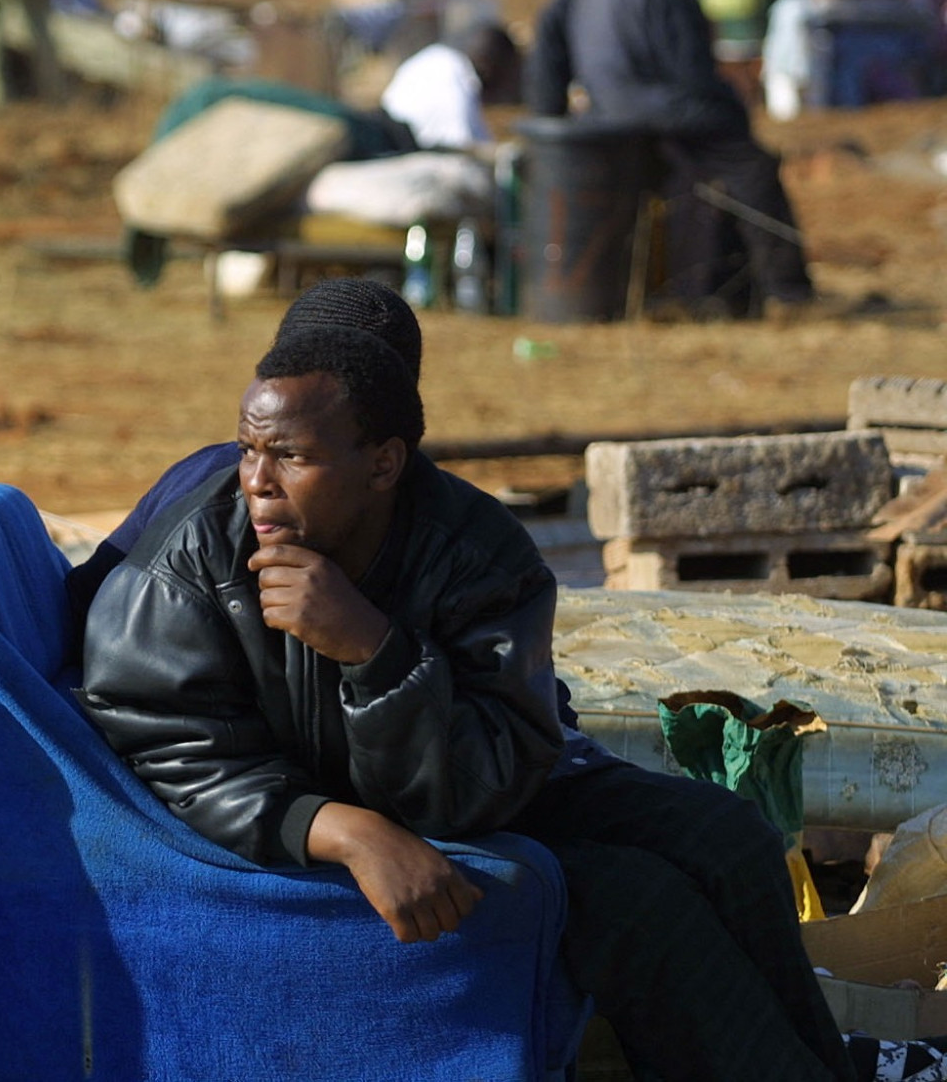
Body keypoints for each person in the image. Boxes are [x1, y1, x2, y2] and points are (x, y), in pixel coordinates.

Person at [73, 312, 859, 1080]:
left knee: (730, 835)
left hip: (458, 792)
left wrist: (374, 653)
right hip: (287, 824)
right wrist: (339, 828)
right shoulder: (189, 567)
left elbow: (495, 770)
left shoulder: (475, 549)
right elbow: (169, 746)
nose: (257, 483)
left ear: (384, 463)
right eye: (248, 450)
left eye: (289, 457)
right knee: (635, 903)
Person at [64, 277, 422, 627]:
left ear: (385, 462)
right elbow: (88, 611)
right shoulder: (205, 493)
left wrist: (368, 645)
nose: (257, 481)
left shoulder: (444, 530)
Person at [527, 0, 818, 317]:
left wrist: (552, 117)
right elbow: (689, 67)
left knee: (693, 169)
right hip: (655, 107)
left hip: (611, 111)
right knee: (751, 166)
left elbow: (551, 30)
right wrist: (730, 102)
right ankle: (789, 293)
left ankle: (713, 290)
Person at [378, 22, 523, 151]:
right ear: (489, 68)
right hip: (395, 147)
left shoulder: (440, 57)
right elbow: (464, 146)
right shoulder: (455, 79)